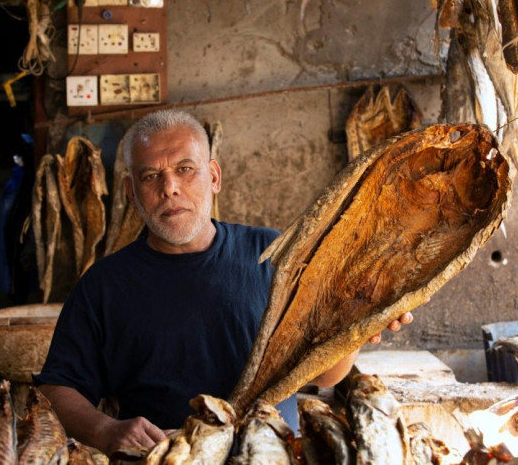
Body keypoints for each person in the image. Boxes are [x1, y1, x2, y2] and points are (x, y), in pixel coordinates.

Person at [34, 109, 415, 455]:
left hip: (273, 456)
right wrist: (104, 429)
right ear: (133, 195)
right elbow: (57, 388)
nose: (170, 187)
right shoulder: (104, 286)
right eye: (151, 176)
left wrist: (357, 325)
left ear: (214, 177)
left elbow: (324, 374)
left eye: (185, 169)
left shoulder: (277, 255)